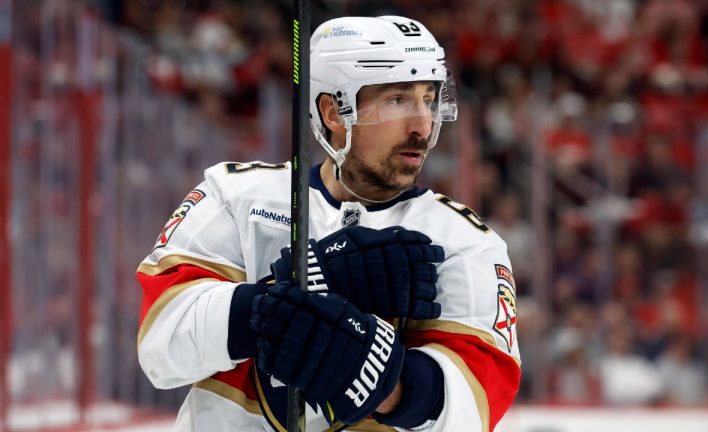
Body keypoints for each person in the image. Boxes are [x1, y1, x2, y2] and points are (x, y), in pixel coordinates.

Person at [137, 15, 521, 431]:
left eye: (428, 99)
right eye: (397, 100)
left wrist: (381, 382)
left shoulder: (462, 242)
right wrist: (289, 293)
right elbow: (161, 347)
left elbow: (474, 403)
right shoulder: (235, 196)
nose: (423, 126)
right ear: (334, 112)